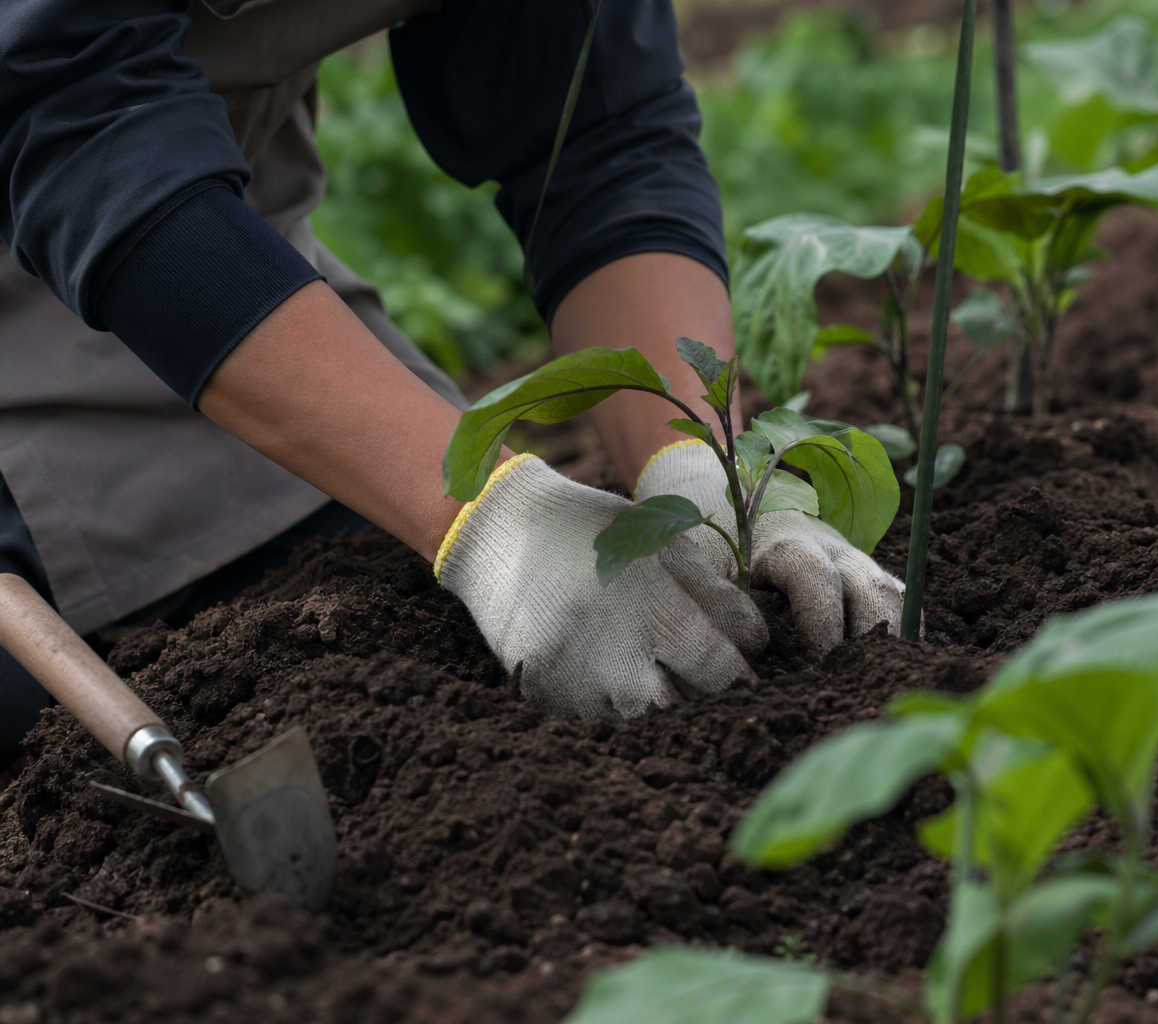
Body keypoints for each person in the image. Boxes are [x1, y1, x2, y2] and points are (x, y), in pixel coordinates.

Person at [0, 0, 905, 770]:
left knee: (407, 626)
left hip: (223, 270)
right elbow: (72, 114)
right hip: (89, 237)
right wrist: (485, 519)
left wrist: (696, 471)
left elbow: (597, 132)